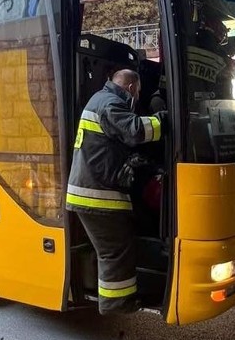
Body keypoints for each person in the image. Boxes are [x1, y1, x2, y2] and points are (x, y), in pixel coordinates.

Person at [66, 68, 164, 314]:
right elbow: (135, 131)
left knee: (117, 247)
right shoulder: (110, 103)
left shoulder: (101, 99)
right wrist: (165, 119)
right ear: (131, 88)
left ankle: (119, 301)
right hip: (96, 195)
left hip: (94, 191)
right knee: (115, 251)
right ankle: (116, 304)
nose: (137, 98)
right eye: (138, 93)